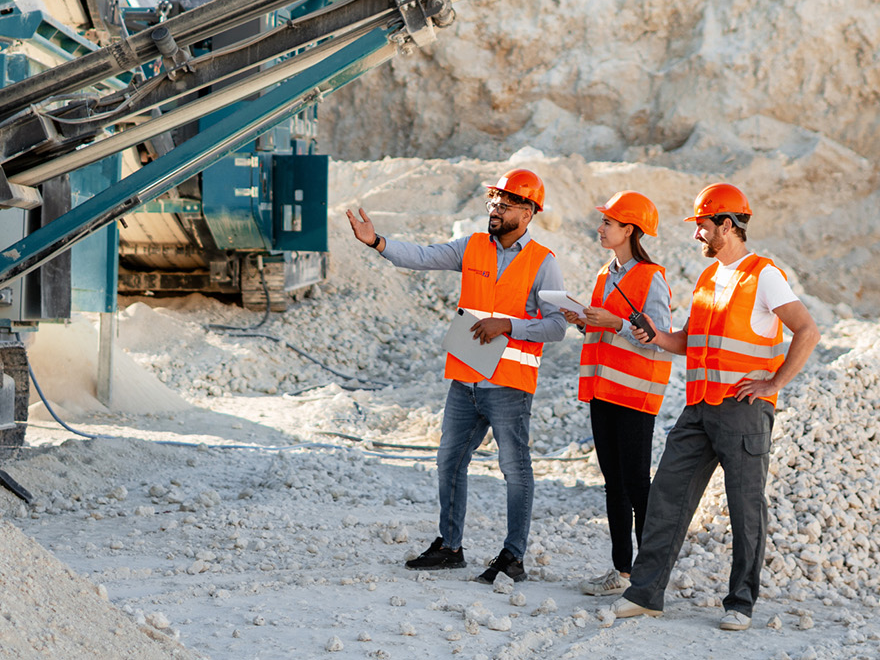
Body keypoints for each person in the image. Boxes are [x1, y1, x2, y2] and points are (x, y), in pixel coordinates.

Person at [609, 183, 819, 631]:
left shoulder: (764, 275)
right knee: (667, 495)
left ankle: (740, 604)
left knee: (745, 508)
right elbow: (689, 341)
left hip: (743, 410)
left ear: (727, 225)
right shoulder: (708, 278)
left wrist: (774, 382)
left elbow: (807, 331)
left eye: (702, 226)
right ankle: (645, 594)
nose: (696, 235)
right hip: (698, 408)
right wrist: (655, 336)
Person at [344, 168, 568, 585]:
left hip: (509, 384)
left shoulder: (544, 263)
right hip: (466, 379)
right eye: (493, 203)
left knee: (515, 471)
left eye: (505, 204)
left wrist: (509, 325)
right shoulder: (472, 247)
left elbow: (557, 326)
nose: (495, 210)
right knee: (449, 461)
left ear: (528, 211)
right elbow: (425, 256)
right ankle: (450, 547)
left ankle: (513, 557)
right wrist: (377, 242)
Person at [558, 191, 673, 598]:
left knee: (638, 485)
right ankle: (622, 571)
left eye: (609, 222)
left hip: (635, 395)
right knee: (613, 485)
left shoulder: (651, 276)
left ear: (629, 230)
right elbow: (604, 331)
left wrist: (617, 323)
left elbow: (658, 340)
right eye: (603, 221)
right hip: (605, 391)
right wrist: (582, 321)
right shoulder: (605, 274)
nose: (601, 228)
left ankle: (648, 578)